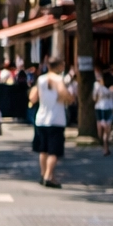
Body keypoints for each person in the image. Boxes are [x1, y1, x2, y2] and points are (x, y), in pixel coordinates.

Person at [31, 55, 72, 187]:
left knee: (43, 149)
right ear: (59, 66)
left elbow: (33, 98)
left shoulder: (41, 79)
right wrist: (68, 98)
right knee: (54, 150)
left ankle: (43, 174)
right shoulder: (59, 79)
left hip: (41, 118)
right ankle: (49, 176)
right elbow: (63, 92)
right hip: (56, 119)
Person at [93, 70, 113, 156]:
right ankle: (106, 146)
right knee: (107, 129)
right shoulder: (112, 88)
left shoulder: (97, 86)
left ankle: (103, 143)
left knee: (101, 127)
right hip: (110, 107)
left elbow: (94, 97)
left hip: (99, 107)